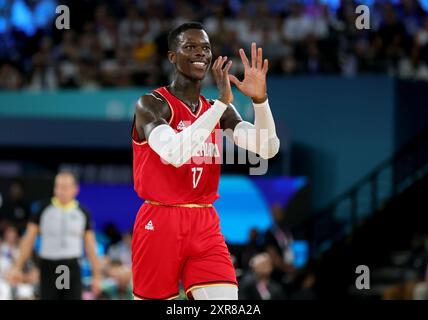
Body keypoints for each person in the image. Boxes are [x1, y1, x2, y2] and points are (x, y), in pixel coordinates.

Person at [131, 21, 280, 300]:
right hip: (160, 219)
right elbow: (175, 154)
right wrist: (222, 105)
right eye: (190, 47)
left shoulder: (217, 109)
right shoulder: (151, 104)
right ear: (172, 57)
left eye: (205, 48)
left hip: (204, 221)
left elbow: (268, 147)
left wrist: (261, 101)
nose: (200, 53)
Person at [8, 170, 101, 300]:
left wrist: (97, 276)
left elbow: (91, 246)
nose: (62, 191)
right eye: (58, 187)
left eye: (66, 187)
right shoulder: (42, 209)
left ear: (75, 189)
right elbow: (28, 239)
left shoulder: (82, 213)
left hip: (71, 265)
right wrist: (17, 267)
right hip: (49, 265)